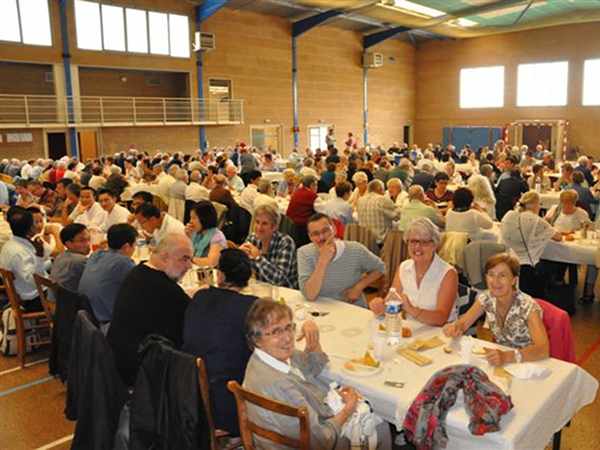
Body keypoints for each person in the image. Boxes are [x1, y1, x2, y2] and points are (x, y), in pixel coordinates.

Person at [243, 299, 391, 449]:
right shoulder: (280, 385)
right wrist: (348, 409)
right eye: (276, 331)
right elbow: (320, 441)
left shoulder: (262, 359)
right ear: (256, 339)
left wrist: (313, 340)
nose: (287, 338)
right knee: (379, 424)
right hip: (306, 443)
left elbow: (313, 367)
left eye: (288, 327)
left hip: (286, 435)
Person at [182, 249, 258, 437]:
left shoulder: (200, 297)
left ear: (221, 274)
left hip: (191, 394)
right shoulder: (252, 307)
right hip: (230, 401)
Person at [107, 233, 193, 386]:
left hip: (117, 360)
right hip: (141, 372)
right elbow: (191, 326)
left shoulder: (139, 271)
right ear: (165, 257)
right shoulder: (168, 290)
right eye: (184, 259)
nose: (189, 266)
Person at [443, 253, 549, 366]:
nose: (495, 281)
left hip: (529, 363)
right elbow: (463, 323)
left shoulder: (528, 306)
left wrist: (507, 356)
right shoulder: (486, 298)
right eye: (491, 274)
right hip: (503, 361)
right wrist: (455, 327)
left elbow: (543, 350)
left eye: (502, 275)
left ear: (514, 280)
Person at [369, 217, 458, 325]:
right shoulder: (403, 267)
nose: (417, 247)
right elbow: (393, 302)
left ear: (435, 245)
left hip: (440, 331)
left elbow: (441, 318)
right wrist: (382, 307)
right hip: (411, 327)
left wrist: (410, 309)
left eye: (424, 242)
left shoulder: (448, 273)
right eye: (413, 241)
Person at [297, 213, 384, 306]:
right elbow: (310, 295)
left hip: (352, 306)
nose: (321, 237)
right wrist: (323, 261)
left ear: (334, 229)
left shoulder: (355, 249)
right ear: (310, 237)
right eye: (315, 234)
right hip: (320, 307)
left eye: (325, 231)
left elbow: (381, 268)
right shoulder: (304, 253)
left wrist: (359, 287)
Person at [500, 191, 561, 298]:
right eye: (539, 204)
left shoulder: (508, 215)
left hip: (509, 262)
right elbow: (558, 237)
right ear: (534, 204)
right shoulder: (534, 219)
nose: (539, 207)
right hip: (528, 267)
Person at [78, 224, 137, 327]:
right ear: (127, 246)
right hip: (108, 321)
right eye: (135, 245)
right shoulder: (124, 262)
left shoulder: (96, 254)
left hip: (90, 316)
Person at [0, 207, 49, 312]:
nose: (38, 226)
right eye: (35, 223)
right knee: (73, 290)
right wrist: (39, 256)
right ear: (31, 228)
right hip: (35, 299)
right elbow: (34, 280)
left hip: (29, 292)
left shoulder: (14, 243)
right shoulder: (17, 251)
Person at [240, 204, 298, 288]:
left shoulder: (285, 242)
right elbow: (242, 272)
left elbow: (279, 280)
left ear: (274, 227)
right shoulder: (252, 239)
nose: (259, 227)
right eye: (257, 222)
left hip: (284, 291)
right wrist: (239, 256)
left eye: (264, 224)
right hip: (260, 288)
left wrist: (258, 258)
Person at [185, 201, 227, 267]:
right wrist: (187, 237)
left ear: (204, 219)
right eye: (191, 218)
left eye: (194, 218)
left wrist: (188, 259)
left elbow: (211, 262)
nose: (190, 221)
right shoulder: (195, 232)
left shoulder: (217, 236)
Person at [50, 223, 90, 292]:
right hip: (69, 298)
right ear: (68, 244)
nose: (88, 244)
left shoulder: (60, 255)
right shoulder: (80, 260)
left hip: (55, 296)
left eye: (89, 239)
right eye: (82, 240)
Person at [286, 175, 318, 247]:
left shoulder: (297, 192)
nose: (317, 187)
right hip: (303, 227)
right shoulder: (312, 195)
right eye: (316, 185)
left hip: (291, 224)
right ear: (312, 185)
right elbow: (322, 210)